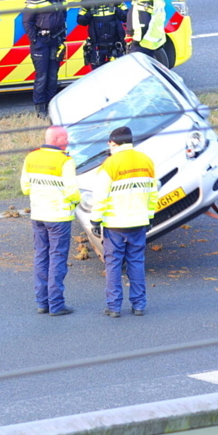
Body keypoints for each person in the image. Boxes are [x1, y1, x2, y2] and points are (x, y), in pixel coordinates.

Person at [89, 126, 158, 318]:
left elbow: (100, 196)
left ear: (113, 142)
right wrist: (150, 215)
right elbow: (153, 193)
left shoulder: (110, 165)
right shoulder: (146, 161)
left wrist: (95, 220)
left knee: (113, 265)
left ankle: (114, 307)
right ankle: (139, 305)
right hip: (138, 222)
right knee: (136, 262)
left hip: (115, 224)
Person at [20, 125, 80, 316]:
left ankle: (42, 302)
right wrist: (76, 201)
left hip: (38, 215)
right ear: (55, 140)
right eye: (64, 138)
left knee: (41, 257)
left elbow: (25, 188)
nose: (67, 141)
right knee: (57, 259)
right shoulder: (65, 161)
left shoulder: (31, 157)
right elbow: (72, 192)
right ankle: (56, 304)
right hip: (59, 217)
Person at [23, 0, 67, 118]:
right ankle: (40, 107)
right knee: (42, 75)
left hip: (55, 40)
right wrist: (34, 39)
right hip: (41, 42)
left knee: (53, 75)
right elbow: (26, 21)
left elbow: (63, 17)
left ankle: (51, 105)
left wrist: (62, 37)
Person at [77, 0, 127, 68]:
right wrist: (90, 13)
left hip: (115, 45)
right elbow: (81, 21)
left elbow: (126, 16)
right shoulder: (88, 1)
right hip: (97, 47)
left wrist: (116, 10)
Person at [126, 0, 168, 66]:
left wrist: (137, 40)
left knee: (138, 68)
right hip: (153, 39)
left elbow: (143, 22)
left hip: (143, 41)